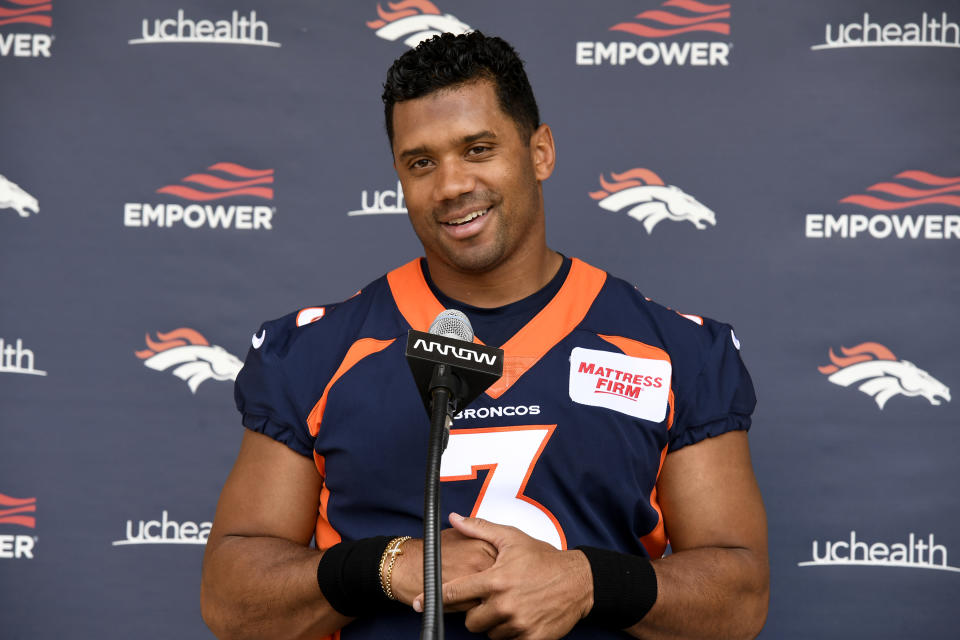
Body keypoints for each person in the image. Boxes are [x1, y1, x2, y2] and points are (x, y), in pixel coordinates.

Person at [201, 31, 768, 640]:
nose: (450, 186)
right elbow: (232, 601)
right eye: (422, 162)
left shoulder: (676, 351)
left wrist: (586, 582)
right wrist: (391, 567)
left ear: (541, 151)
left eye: (477, 149)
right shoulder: (317, 352)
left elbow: (738, 600)